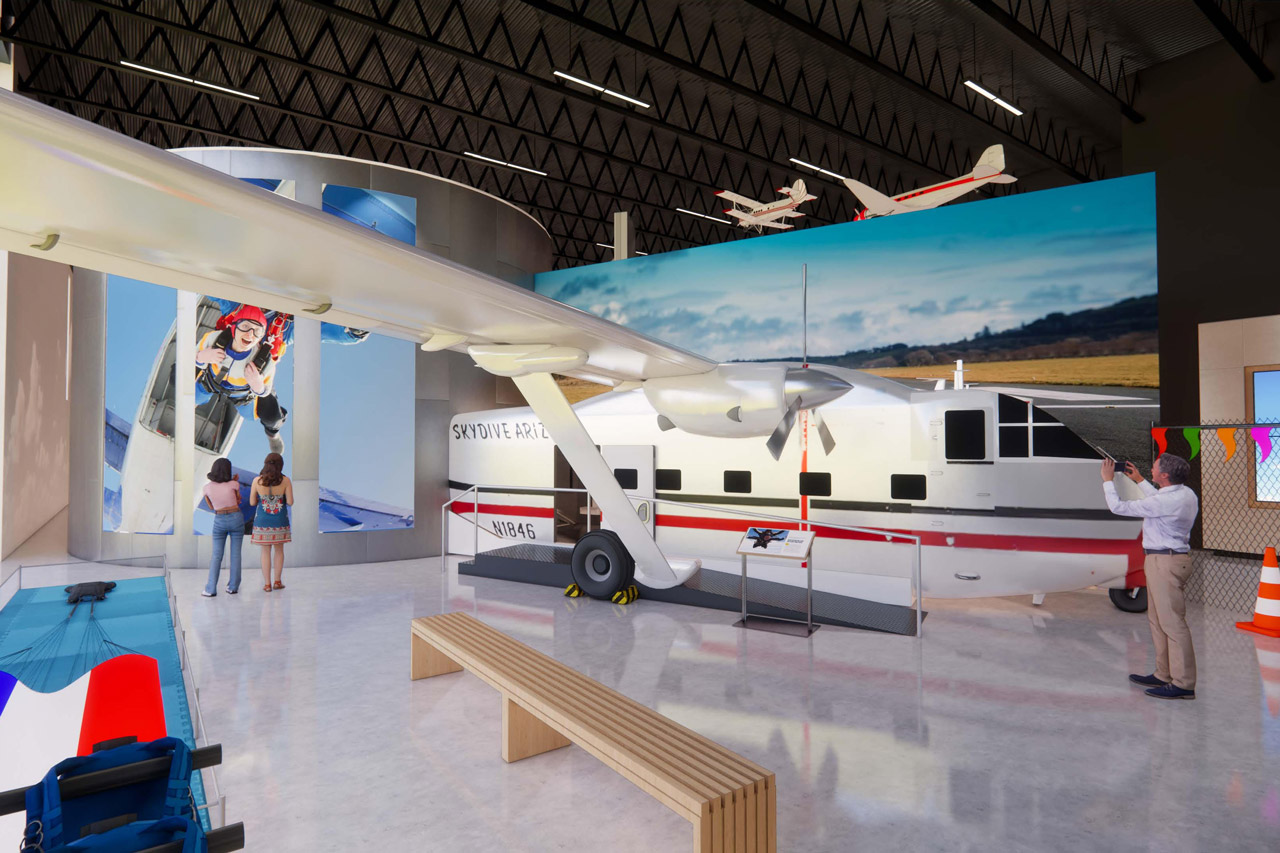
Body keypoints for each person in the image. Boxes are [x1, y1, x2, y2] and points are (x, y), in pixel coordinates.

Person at [1101, 453, 1200, 700]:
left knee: (1172, 624)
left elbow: (1118, 507)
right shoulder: (1185, 494)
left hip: (1164, 563)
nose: (1152, 469)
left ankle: (1184, 683)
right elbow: (1158, 498)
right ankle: (1163, 674)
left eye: (1154, 468)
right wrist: (1141, 480)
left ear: (1164, 476)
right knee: (1158, 620)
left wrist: (1107, 480)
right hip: (1164, 560)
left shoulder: (1165, 502)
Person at [195, 303, 288, 455]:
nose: (250, 335)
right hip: (210, 383)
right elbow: (193, 355)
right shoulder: (214, 339)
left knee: (270, 416)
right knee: (184, 387)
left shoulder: (265, 360)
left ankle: (273, 433)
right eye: (245, 326)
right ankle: (188, 410)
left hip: (243, 395)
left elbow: (266, 389)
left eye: (257, 332)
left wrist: (259, 387)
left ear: (260, 338)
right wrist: (201, 357)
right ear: (233, 327)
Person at [250, 452, 293, 592]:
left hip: (262, 521)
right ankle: (277, 582)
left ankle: (267, 584)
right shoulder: (286, 481)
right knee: (279, 551)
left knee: (265, 551)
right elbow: (291, 502)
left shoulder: (257, 481)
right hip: (280, 520)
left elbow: (251, 502)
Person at [201, 458, 244, 597]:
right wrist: (234, 482)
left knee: (216, 555)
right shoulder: (234, 484)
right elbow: (237, 501)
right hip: (236, 518)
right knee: (236, 554)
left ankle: (210, 589)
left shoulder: (206, 488)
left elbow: (211, 507)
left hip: (219, 519)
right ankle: (233, 587)